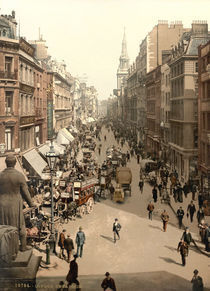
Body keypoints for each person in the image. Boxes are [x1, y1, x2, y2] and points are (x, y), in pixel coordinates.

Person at [0, 154, 35, 252]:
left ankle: (5, 249)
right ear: (15, 163)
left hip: (2, 205)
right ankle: (23, 247)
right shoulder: (19, 176)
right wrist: (31, 204)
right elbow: (25, 193)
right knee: (20, 225)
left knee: (3, 226)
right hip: (15, 205)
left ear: (6, 163)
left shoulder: (0, 176)